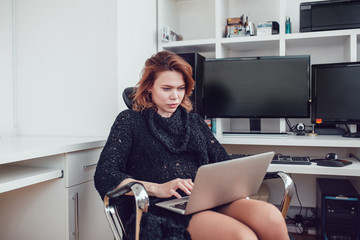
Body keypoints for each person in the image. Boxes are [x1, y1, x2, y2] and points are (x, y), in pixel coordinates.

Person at [94, 51, 289, 240]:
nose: (175, 97)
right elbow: (105, 174)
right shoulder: (129, 121)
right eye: (167, 88)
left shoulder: (194, 122)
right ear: (149, 87)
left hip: (205, 200)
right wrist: (158, 188)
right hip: (158, 208)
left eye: (180, 88)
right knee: (242, 236)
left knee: (271, 217)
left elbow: (222, 162)